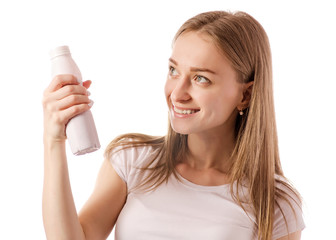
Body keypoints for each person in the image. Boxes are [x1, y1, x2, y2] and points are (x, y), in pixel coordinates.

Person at [42, 10, 305, 240]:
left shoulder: (275, 202)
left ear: (245, 95)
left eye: (201, 78)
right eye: (173, 71)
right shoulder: (132, 161)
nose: (177, 93)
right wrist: (53, 141)